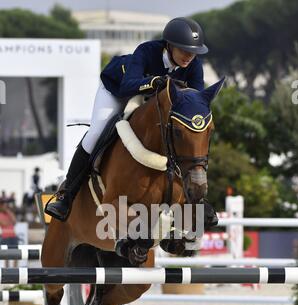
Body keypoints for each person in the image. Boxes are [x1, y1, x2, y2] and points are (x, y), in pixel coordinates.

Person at [45, 17, 208, 221]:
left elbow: (196, 101)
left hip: (151, 100)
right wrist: (154, 81)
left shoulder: (194, 65)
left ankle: (197, 202)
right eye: (184, 50)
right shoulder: (147, 51)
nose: (189, 57)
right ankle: (66, 194)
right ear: (170, 45)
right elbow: (127, 87)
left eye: (193, 52)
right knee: (97, 132)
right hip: (118, 90)